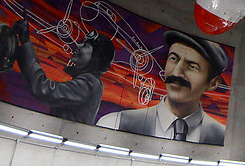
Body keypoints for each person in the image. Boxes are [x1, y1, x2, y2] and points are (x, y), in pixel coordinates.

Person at [97, 29, 229, 145]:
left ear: (213, 83)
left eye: (192, 66)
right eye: (173, 59)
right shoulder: (115, 124)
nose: (177, 72)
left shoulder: (222, 137)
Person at [13, 20, 114, 124]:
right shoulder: (90, 82)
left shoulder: (90, 83)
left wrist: (25, 42)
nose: (78, 46)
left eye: (85, 46)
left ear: (96, 57)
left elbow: (44, 90)